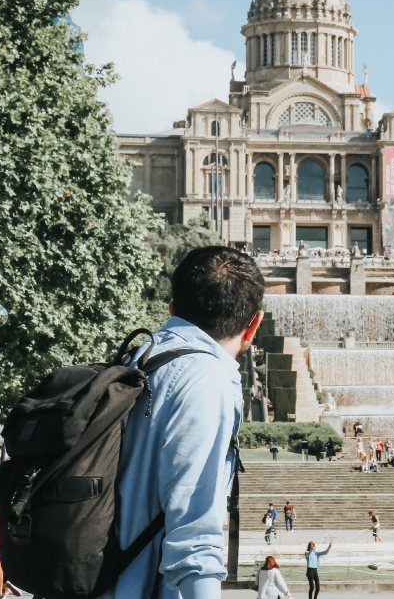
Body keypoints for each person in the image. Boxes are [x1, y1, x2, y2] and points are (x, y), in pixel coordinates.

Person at [104, 246, 264, 599]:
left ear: (172, 308)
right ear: (254, 324)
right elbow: (194, 535)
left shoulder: (139, 358)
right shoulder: (208, 379)